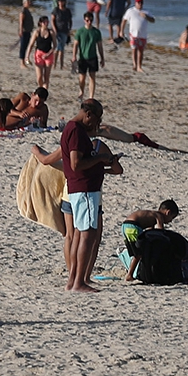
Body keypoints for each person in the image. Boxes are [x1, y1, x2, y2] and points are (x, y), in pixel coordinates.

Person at [35, 100, 121, 292]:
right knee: (88, 234)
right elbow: (75, 163)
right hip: (84, 188)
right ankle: (79, 282)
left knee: (79, 235)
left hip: (79, 188)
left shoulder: (72, 129)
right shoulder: (75, 131)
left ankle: (73, 280)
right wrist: (99, 158)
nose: (96, 125)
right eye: (96, 120)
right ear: (88, 114)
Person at [72, 9, 104, 100]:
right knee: (82, 78)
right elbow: (75, 45)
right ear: (84, 20)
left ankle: (91, 97)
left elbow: (100, 46)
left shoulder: (96, 32)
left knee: (92, 77)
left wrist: (102, 58)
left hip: (93, 57)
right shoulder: (80, 31)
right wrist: (74, 56)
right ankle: (81, 91)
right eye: (87, 20)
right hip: (82, 57)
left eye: (90, 20)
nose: (89, 22)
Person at [120, 0, 154, 72]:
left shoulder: (146, 11)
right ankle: (135, 65)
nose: (140, 4)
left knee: (141, 51)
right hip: (133, 34)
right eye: (138, 3)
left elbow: (153, 20)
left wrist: (146, 17)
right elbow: (124, 20)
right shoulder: (131, 11)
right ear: (135, 3)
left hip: (143, 34)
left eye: (141, 3)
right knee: (134, 49)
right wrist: (121, 31)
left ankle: (139, 66)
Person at [30, 17, 57, 90]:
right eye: (44, 22)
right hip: (39, 54)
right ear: (40, 23)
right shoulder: (37, 32)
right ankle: (40, 88)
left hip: (49, 54)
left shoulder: (51, 32)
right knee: (39, 77)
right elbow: (31, 44)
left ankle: (44, 91)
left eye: (47, 22)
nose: (46, 23)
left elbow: (55, 45)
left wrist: (48, 53)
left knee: (46, 76)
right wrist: (27, 56)